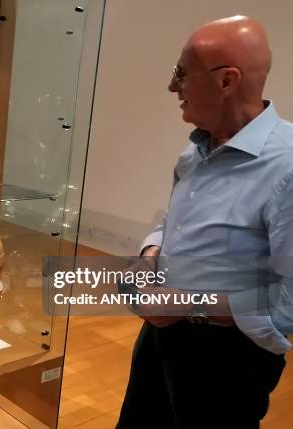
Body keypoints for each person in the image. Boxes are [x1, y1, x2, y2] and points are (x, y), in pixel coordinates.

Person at [116, 16, 292, 429]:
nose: (171, 87)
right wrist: (149, 256)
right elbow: (172, 222)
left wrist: (189, 304)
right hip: (159, 338)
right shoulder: (195, 149)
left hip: (229, 362)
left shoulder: (287, 168)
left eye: (180, 74)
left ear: (226, 81)